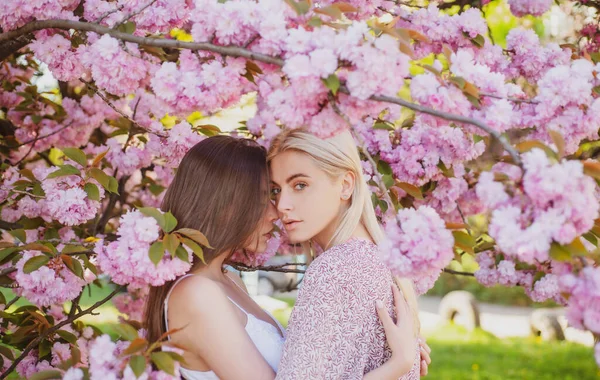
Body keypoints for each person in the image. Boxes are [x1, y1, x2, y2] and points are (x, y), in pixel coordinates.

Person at [143, 135, 429, 380]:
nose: (276, 211)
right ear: (223, 204)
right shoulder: (196, 294)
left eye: (275, 194)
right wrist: (395, 365)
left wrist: (377, 351)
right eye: (264, 197)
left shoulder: (228, 281)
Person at [269, 128, 426, 379]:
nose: (282, 205)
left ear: (345, 184)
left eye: (300, 185)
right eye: (275, 190)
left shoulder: (333, 269)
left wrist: (398, 365)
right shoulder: (379, 261)